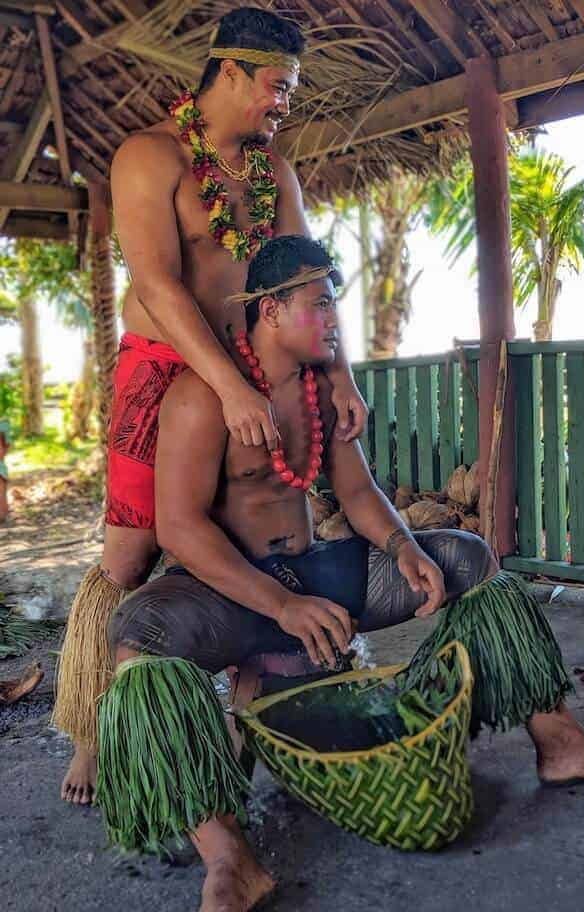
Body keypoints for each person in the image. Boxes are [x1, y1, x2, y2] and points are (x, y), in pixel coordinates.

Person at [99, 237, 584, 912]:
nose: (334, 321)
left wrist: (403, 545)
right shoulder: (200, 399)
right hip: (233, 592)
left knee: (470, 561)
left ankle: (558, 740)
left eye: (335, 304)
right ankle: (228, 855)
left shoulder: (321, 392)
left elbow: (357, 493)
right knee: (137, 631)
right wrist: (278, 605)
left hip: (319, 575)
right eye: (320, 303)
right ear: (270, 311)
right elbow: (180, 528)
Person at [52, 7, 368, 805]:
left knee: (251, 533)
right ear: (228, 72)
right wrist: (224, 387)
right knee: (129, 559)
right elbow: (157, 281)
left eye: (290, 87)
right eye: (276, 84)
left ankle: (246, 717)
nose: (284, 101)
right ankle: (94, 725)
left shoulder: (276, 175)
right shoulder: (148, 157)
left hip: (254, 368)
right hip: (167, 369)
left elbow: (309, 281)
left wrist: (341, 377)